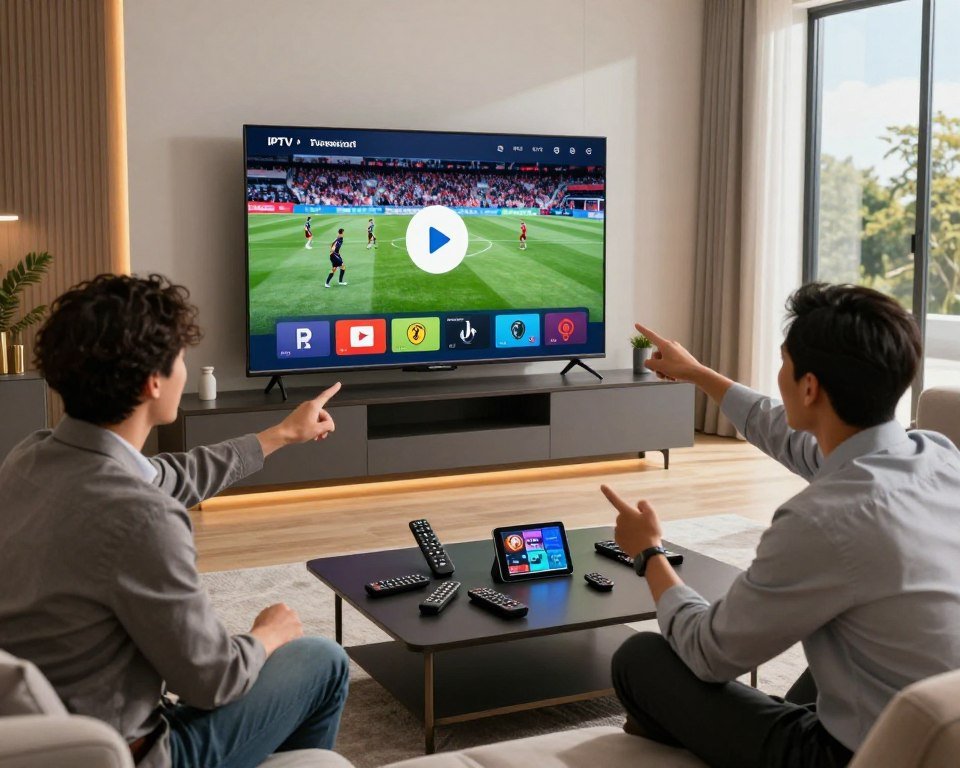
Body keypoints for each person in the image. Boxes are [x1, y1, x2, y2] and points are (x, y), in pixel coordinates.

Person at [602, 283, 960, 768]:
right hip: (939, 726)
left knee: (641, 659)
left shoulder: (822, 520)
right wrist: (699, 374)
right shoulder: (938, 455)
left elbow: (710, 653)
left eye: (784, 363)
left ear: (808, 387)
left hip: (857, 757)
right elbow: (796, 441)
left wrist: (649, 553)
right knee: (839, 640)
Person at [0, 274, 349, 768]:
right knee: (324, 661)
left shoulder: (29, 457)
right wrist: (267, 635)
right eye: (182, 358)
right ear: (154, 382)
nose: (185, 369)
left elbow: (169, 476)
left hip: (47, 733)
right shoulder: (142, 518)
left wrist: (282, 434)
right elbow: (213, 682)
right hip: (134, 753)